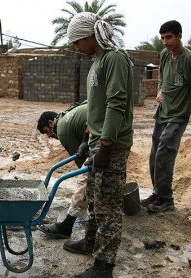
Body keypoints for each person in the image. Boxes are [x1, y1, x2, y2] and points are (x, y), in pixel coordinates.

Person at [65, 12, 134, 278]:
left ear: (88, 35)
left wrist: (105, 147)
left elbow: (116, 104)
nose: (75, 48)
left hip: (112, 144)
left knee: (108, 207)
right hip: (96, 141)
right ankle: (90, 242)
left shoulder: (115, 59)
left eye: (76, 42)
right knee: (95, 199)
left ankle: (104, 266)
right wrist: (85, 138)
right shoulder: (97, 62)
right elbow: (94, 106)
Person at [142, 20, 191, 213]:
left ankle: (167, 200)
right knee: (154, 156)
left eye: (169, 37)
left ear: (179, 36)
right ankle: (157, 192)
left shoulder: (190, 59)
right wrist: (160, 90)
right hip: (162, 114)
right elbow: (162, 76)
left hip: (177, 116)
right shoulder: (165, 55)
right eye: (162, 38)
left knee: (164, 155)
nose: (165, 42)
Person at [36, 103, 89, 239]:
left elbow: (81, 162)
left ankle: (67, 225)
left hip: (102, 131)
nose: (49, 136)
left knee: (85, 178)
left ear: (51, 122)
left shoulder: (63, 129)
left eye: (47, 131)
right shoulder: (67, 117)